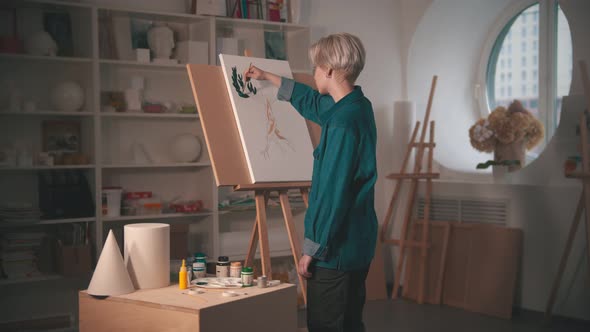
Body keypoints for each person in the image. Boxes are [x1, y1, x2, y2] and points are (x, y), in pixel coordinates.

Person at [245, 32, 378, 332]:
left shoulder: (343, 123)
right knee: (349, 323)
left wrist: (311, 249)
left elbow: (332, 194)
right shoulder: (356, 107)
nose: (314, 73)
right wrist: (270, 77)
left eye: (317, 67)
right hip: (357, 244)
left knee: (326, 325)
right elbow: (313, 103)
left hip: (336, 250)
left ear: (330, 70)